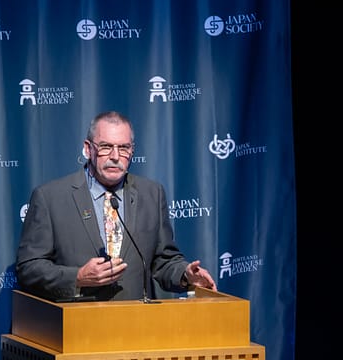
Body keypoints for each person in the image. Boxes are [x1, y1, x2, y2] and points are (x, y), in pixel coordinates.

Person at [16, 110, 217, 302]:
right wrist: (76, 277)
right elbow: (29, 268)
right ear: (88, 149)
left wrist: (185, 275)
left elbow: (163, 260)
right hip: (75, 326)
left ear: (132, 150)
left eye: (123, 148)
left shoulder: (151, 194)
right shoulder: (51, 197)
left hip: (135, 326)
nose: (115, 156)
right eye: (105, 146)